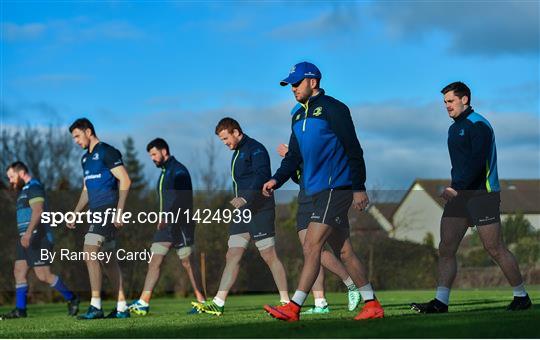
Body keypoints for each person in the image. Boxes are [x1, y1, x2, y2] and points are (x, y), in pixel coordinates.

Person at [262, 61, 384, 321]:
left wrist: (358, 187)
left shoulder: (334, 109)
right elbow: (293, 157)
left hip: (335, 188)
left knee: (312, 246)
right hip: (308, 192)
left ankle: (293, 307)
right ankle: (372, 304)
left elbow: (353, 149)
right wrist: (276, 180)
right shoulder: (296, 114)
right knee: (344, 251)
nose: (292, 88)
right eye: (290, 84)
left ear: (312, 82)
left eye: (296, 83)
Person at [410, 81, 532, 313]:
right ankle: (441, 302)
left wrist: (456, 187)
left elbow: (477, 163)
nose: (446, 106)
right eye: (444, 102)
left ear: (464, 99)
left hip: (482, 195)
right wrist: (456, 188)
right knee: (446, 247)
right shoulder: (453, 128)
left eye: (450, 101)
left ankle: (521, 296)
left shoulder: (479, 125)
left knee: (494, 248)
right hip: (460, 196)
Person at [193, 117, 289, 316]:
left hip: (260, 209)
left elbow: (262, 176)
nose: (225, 143)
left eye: (226, 138)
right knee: (232, 254)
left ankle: (286, 302)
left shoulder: (256, 149)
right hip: (243, 212)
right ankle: (218, 303)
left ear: (236, 132)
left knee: (269, 255)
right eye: (222, 140)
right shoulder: (237, 152)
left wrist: (245, 197)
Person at [276, 143, 361, 314]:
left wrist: (290, 156)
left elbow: (317, 167)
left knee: (331, 250)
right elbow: (300, 177)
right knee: (310, 252)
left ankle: (352, 284)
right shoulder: (297, 146)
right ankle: (320, 302)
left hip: (323, 198)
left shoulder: (316, 143)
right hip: (304, 201)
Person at [128, 138, 206, 315]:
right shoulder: (164, 172)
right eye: (150, 156)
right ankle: (143, 302)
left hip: (180, 224)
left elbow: (181, 197)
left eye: (154, 154)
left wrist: (168, 215)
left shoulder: (179, 171)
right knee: (154, 259)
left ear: (164, 151)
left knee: (187, 262)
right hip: (166, 227)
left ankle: (202, 301)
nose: (153, 158)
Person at [67, 118, 132, 319]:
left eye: (77, 136)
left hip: (108, 209)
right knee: (108, 260)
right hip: (94, 211)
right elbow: (87, 189)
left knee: (89, 252)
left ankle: (96, 306)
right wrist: (76, 212)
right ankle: (122, 308)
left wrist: (119, 211)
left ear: (88, 131)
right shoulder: (85, 160)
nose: (76, 141)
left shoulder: (107, 152)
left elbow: (125, 179)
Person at [0, 162, 79, 320]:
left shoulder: (34, 187)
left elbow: (38, 210)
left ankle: (72, 299)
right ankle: (20, 310)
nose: (11, 181)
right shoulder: (23, 190)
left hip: (38, 237)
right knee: (19, 271)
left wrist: (29, 233)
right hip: (26, 239)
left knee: (43, 275)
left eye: (12, 177)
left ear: (21, 172)